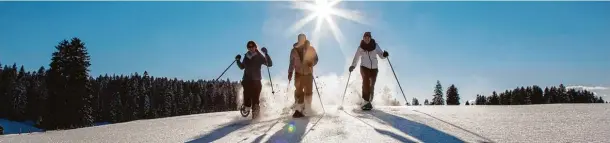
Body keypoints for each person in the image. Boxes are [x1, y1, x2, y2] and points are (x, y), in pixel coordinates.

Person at [349, 32, 389, 111]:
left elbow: (381, 55)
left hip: (374, 68)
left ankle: (369, 101)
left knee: (372, 85)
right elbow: (356, 57)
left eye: (368, 37)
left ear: (370, 38)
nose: (367, 39)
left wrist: (384, 55)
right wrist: (353, 65)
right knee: (366, 81)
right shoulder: (360, 47)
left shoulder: (375, 45)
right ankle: (365, 101)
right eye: (365, 37)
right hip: (364, 67)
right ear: (363, 38)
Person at [235, 40, 273, 119]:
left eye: (253, 47)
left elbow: (269, 64)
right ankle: (246, 107)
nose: (251, 48)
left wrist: (266, 54)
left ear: (256, 47)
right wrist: (238, 61)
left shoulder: (259, 56)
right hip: (247, 81)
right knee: (247, 98)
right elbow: (242, 67)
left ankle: (255, 118)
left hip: (256, 81)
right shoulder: (246, 56)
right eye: (249, 47)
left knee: (255, 99)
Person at [288, 33, 318, 118]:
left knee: (308, 93)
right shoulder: (294, 50)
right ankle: (298, 110)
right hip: (298, 74)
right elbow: (291, 63)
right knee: (299, 92)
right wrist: (290, 72)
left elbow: (316, 59)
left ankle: (307, 108)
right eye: (300, 39)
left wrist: (311, 63)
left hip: (308, 74)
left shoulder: (311, 49)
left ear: (305, 39)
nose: (301, 40)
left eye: (303, 39)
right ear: (298, 40)